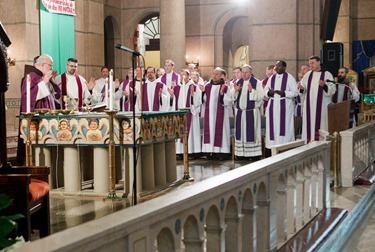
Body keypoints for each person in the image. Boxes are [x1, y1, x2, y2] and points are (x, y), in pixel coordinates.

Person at [17, 54, 61, 165]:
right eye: (50, 66)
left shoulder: (42, 77)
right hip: (37, 121)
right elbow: (29, 96)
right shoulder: (31, 76)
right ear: (42, 64)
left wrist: (51, 82)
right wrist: (44, 83)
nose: (51, 68)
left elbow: (53, 97)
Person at [264, 61, 298, 157]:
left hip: (285, 106)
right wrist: (269, 93)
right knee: (273, 127)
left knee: (285, 127)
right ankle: (272, 150)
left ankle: (285, 149)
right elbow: (265, 91)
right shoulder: (272, 78)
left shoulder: (290, 78)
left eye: (279, 66)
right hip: (273, 106)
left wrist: (284, 93)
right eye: (276, 66)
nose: (277, 67)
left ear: (284, 67)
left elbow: (295, 93)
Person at [298, 55, 336, 143]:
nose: (311, 65)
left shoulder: (327, 74)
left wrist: (324, 86)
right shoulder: (308, 75)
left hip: (321, 106)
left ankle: (321, 143)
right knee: (309, 126)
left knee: (321, 125)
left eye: (313, 63)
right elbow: (303, 89)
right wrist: (301, 88)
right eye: (310, 63)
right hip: (309, 107)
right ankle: (308, 143)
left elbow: (333, 89)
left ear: (319, 62)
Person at [231, 64, 264, 160]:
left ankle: (253, 154)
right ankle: (240, 154)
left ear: (250, 73)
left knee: (252, 133)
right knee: (240, 134)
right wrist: (235, 91)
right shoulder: (239, 82)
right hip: (240, 113)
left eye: (246, 72)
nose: (244, 74)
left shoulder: (256, 82)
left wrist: (252, 91)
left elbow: (261, 96)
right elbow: (231, 96)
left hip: (252, 113)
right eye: (243, 72)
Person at [201, 67, 233, 160]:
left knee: (221, 132)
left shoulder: (226, 86)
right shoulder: (207, 86)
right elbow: (204, 100)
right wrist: (203, 93)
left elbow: (229, 101)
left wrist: (223, 94)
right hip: (210, 114)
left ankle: (221, 153)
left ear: (221, 76)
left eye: (216, 74)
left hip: (221, 115)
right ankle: (210, 151)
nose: (214, 76)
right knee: (210, 131)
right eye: (213, 74)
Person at [174, 69, 202, 158]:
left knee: (191, 132)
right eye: (181, 75)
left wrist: (193, 96)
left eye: (184, 75)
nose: (182, 77)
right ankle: (179, 152)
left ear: (188, 76)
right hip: (179, 114)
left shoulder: (193, 86)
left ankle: (191, 151)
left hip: (190, 114)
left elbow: (198, 101)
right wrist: (171, 96)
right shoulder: (177, 87)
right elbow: (173, 101)